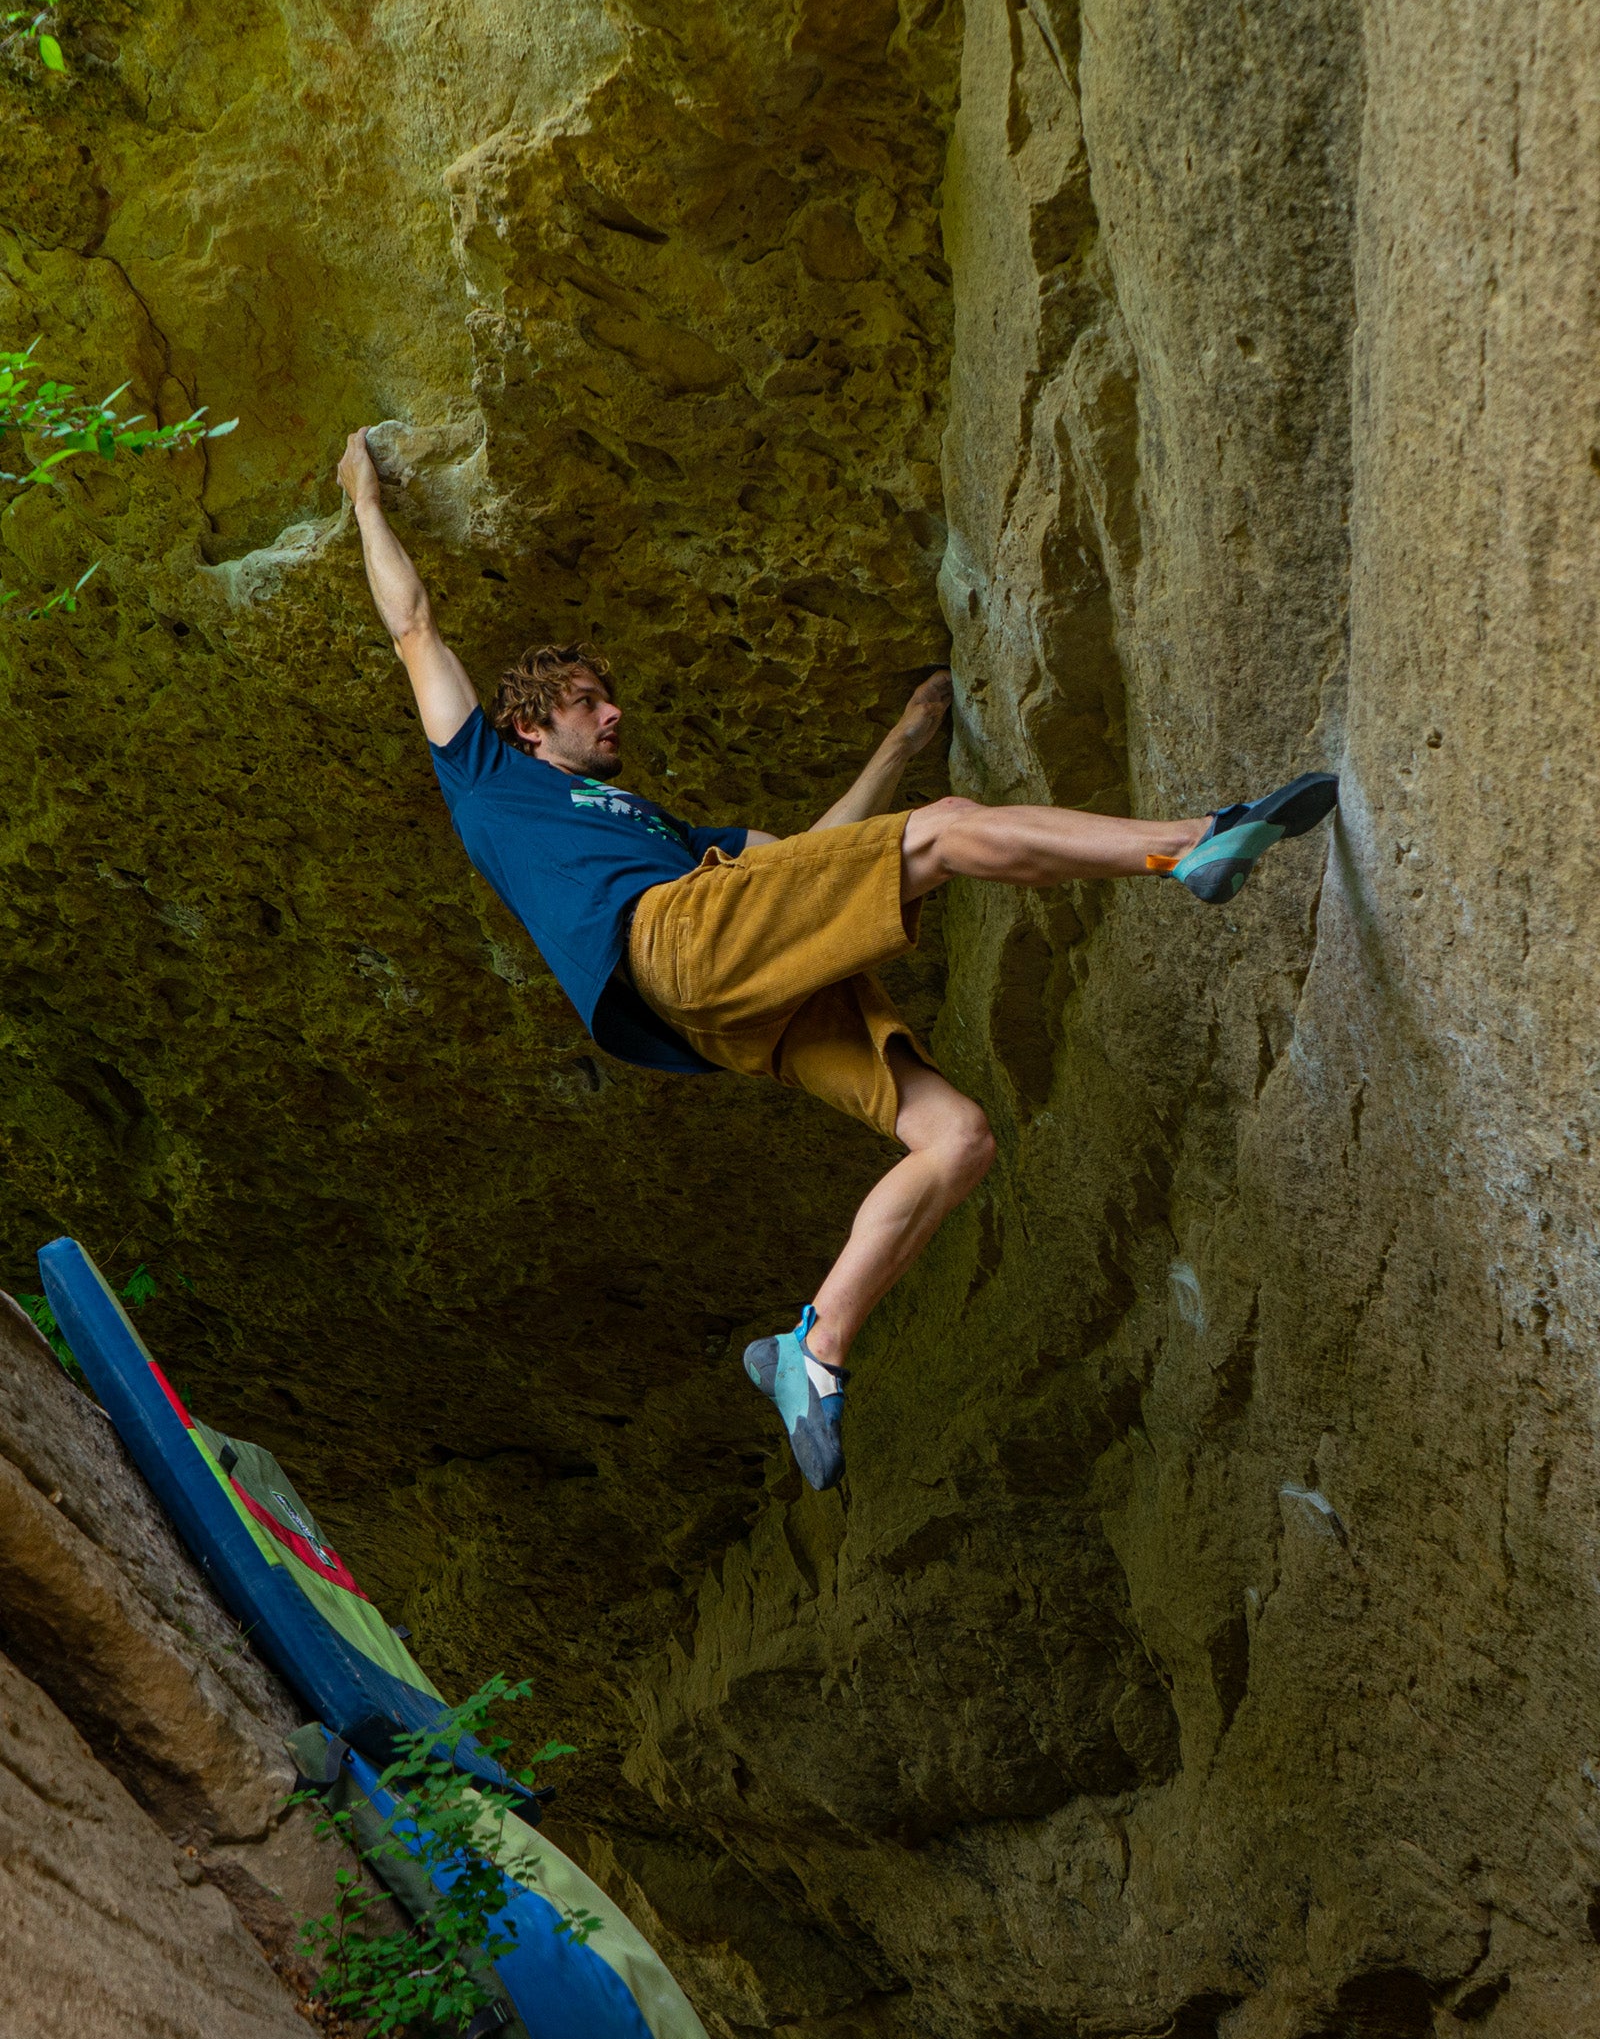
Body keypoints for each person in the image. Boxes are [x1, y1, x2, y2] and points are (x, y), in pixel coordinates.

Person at [339, 428, 1337, 1492]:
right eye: (588, 699)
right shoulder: (489, 775)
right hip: (670, 941)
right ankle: (1193, 844)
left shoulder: (668, 827)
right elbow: (412, 625)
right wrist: (364, 497)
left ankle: (811, 1352)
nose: (613, 709)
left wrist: (903, 743)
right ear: (532, 723)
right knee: (946, 831)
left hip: (728, 1001)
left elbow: (810, 861)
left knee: (955, 1139)